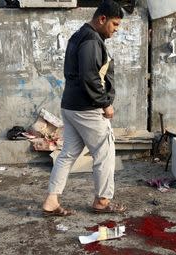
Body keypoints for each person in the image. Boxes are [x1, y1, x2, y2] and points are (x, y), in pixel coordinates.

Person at [42, 0, 126, 216]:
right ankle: (102, 201)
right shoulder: (91, 40)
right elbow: (89, 75)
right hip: (87, 108)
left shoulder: (79, 35)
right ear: (102, 19)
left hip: (70, 105)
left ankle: (51, 200)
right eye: (115, 25)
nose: (115, 30)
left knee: (68, 153)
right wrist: (105, 103)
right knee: (104, 152)